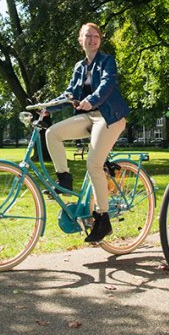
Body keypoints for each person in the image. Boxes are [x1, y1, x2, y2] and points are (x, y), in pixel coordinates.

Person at [44, 22, 130, 243]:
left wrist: (91, 100)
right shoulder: (79, 67)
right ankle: (64, 179)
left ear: (99, 40)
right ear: (80, 40)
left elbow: (107, 85)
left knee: (93, 164)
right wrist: (46, 107)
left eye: (96, 36)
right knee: (52, 133)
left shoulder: (107, 61)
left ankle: (102, 218)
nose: (92, 39)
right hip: (89, 116)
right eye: (87, 36)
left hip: (110, 116)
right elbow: (70, 94)